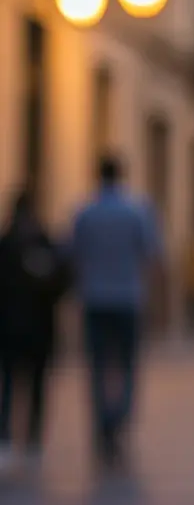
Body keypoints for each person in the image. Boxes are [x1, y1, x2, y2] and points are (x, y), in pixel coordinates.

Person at [72, 156, 161, 467]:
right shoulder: (137, 211)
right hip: (128, 299)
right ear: (122, 175)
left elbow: (71, 252)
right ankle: (119, 419)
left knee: (97, 366)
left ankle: (102, 424)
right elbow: (152, 254)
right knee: (127, 365)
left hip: (94, 299)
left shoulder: (84, 212)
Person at [0, 193, 69, 471]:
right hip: (39, 328)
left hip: (9, 328)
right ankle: (32, 439)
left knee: (9, 384)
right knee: (36, 385)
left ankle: (7, 436)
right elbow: (61, 282)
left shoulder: (5, 244)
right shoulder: (44, 242)